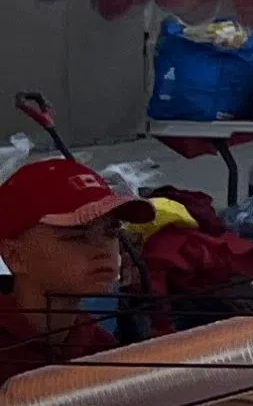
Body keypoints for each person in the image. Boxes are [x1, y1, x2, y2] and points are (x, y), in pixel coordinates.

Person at [0, 159, 155, 385]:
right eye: (77, 237)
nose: (103, 250)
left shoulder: (98, 346)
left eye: (111, 233)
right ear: (15, 256)